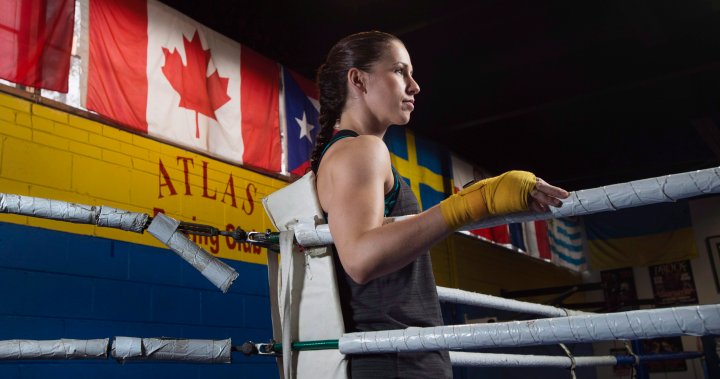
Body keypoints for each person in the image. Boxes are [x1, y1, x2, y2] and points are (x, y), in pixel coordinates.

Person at [309, 30, 569, 378]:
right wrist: (470, 204)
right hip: (394, 359)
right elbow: (360, 257)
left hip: (395, 355)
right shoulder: (361, 150)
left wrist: (471, 201)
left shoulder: (348, 153)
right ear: (358, 79)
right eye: (400, 71)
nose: (414, 86)